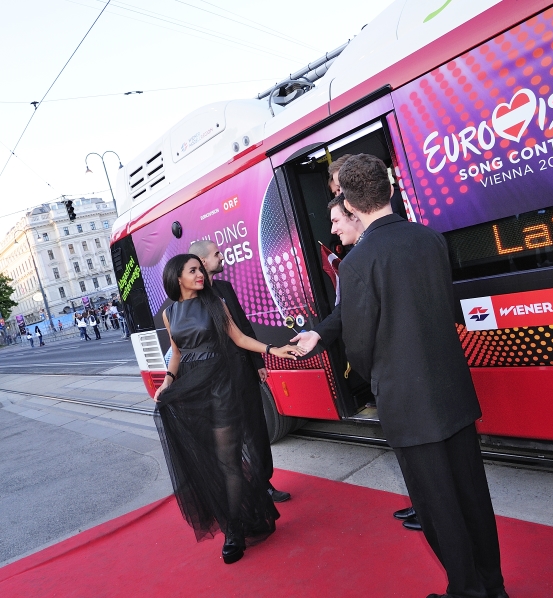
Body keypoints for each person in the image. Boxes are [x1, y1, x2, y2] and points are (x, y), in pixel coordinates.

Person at [300, 155, 507, 598]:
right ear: (389, 191)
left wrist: (378, 376)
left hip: (408, 404)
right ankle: (493, 586)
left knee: (437, 507)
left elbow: (359, 345)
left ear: (352, 208)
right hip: (453, 391)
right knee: (473, 498)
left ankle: (466, 591)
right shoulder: (430, 239)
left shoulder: (357, 263)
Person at [152, 254, 304, 564]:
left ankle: (234, 531)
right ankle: (239, 512)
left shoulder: (214, 302)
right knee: (208, 461)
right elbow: (178, 353)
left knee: (229, 461)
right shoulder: (171, 313)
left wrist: (273, 349)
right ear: (177, 278)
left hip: (221, 387)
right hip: (192, 391)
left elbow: (239, 337)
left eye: (200, 269)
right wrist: (168, 381)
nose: (200, 274)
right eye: (192, 270)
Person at [293, 192, 422, 532]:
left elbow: (359, 327)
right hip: (410, 372)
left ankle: (429, 509)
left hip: (398, 373)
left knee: (419, 451)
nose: (332, 229)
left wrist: (367, 373)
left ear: (354, 214)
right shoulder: (402, 241)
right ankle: (424, 504)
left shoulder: (360, 259)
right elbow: (343, 310)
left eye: (335, 220)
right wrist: (319, 334)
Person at [189, 239, 291, 503]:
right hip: (218, 382)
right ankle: (239, 491)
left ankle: (264, 484)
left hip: (244, 372)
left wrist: (258, 363)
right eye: (216, 254)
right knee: (229, 441)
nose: (222, 257)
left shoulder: (225, 288)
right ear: (202, 262)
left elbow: (243, 327)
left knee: (256, 431)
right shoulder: (191, 299)